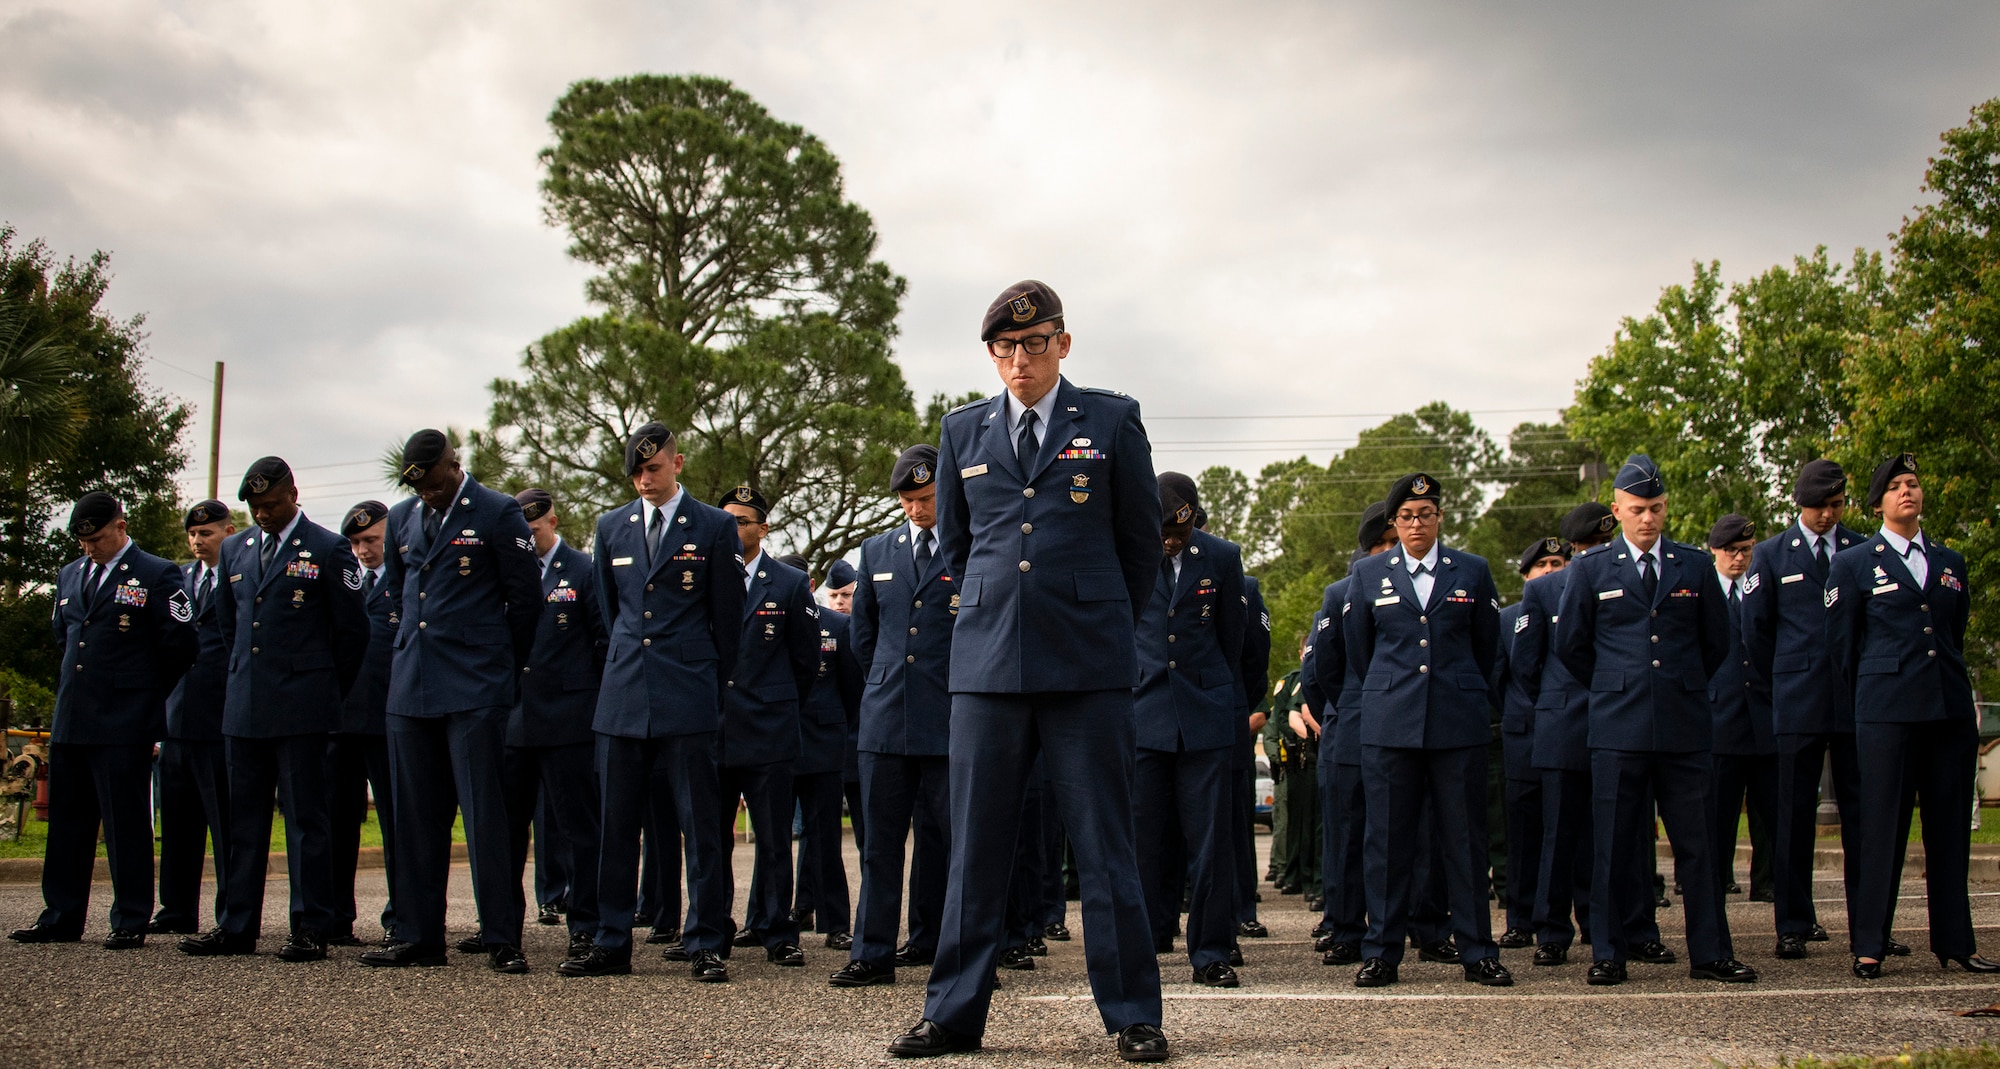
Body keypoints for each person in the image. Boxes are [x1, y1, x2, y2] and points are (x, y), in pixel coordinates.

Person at [889, 280, 1167, 1063]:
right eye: (1006, 348)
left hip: (1087, 668)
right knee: (975, 847)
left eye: (1036, 343)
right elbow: (959, 548)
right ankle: (951, 1013)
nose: (1021, 359)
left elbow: (1139, 547)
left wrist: (1099, 621)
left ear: (1063, 345)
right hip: (986, 667)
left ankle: (1133, 1015)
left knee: (1107, 848)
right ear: (991, 355)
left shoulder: (1110, 419)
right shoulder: (962, 430)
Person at [1554, 454, 1753, 986]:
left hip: (1685, 725)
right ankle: (1609, 952)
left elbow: (1717, 642)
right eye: (1638, 509)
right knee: (1614, 847)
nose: (1649, 519)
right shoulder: (1592, 570)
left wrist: (1679, 683)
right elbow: (1572, 645)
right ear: (1617, 510)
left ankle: (1711, 953)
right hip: (1618, 727)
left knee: (1699, 847)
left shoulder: (1692, 565)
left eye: (1657, 508)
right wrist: (1617, 683)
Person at [563, 422, 744, 982]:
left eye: (654, 469)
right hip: (621, 695)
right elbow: (604, 611)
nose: (645, 480)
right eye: (636, 472)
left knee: (700, 825)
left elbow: (728, 619)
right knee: (615, 825)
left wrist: (709, 687)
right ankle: (611, 939)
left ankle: (706, 940)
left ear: (678, 463)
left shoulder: (713, 526)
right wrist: (616, 669)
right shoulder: (610, 526)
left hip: (687, 692)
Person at [358, 432, 541, 972]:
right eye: (420, 488)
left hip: (476, 685)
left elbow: (525, 600)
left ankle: (501, 936)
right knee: (415, 816)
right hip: (412, 684)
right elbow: (397, 590)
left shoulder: (497, 512)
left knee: (485, 814)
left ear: (452, 467)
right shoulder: (404, 517)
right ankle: (417, 935)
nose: (430, 495)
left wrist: (499, 669)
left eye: (435, 483)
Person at [177, 459, 368, 963]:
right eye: (255, 508)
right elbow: (227, 623)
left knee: (307, 819)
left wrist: (322, 687)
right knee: (243, 821)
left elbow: (351, 635)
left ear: (292, 495)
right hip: (245, 704)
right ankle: (236, 924)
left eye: (270, 505)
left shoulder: (329, 549)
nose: (262, 515)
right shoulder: (235, 549)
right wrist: (245, 673)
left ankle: (310, 925)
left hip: (304, 706)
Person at [1832, 454, 1997, 978]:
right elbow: (1843, 647)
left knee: (1949, 829)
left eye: (1914, 484)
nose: (1909, 492)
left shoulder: (1949, 562)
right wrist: (1873, 697)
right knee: (1883, 829)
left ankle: (1956, 943)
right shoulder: (1855, 562)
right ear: (1879, 502)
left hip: (1947, 713)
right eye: (1897, 486)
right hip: (1886, 714)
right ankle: (1870, 945)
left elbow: (1955, 634)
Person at [1343, 473, 1508, 988]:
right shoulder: (1368, 575)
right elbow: (1359, 650)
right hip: (1391, 724)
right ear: (1395, 522)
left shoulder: (1473, 572)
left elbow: (1488, 649)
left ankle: (1478, 950)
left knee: (1464, 841)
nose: (1417, 524)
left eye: (1427, 514)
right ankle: (1382, 952)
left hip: (1456, 724)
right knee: (1388, 843)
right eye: (1408, 517)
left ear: (1439, 519)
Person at [11, 493, 195, 948]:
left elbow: (180, 645)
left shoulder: (156, 573)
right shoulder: (71, 574)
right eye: (83, 541)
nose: (89, 547)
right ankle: (61, 914)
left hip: (124, 720)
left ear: (120, 526)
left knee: (124, 822)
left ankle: (131, 917)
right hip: (74, 716)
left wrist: (143, 698)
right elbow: (67, 635)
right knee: (67, 821)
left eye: (96, 538)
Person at [1740, 459, 1885, 960]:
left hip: (1854, 700)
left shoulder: (1863, 550)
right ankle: (1794, 923)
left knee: (1865, 816)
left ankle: (1871, 926)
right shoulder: (1772, 555)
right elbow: (1756, 632)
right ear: (1798, 504)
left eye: (1835, 506)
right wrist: (1783, 677)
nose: (1826, 515)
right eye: (1818, 506)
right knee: (1793, 816)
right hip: (1797, 700)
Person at [833, 445, 959, 989]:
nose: (916, 509)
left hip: (952, 718)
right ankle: (872, 953)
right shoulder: (876, 551)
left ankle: (951, 949)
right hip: (885, 717)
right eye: (908, 500)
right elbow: (863, 637)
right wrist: (885, 682)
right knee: (879, 845)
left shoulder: (970, 545)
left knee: (952, 845)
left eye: (927, 498)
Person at [1132, 473, 1246, 988]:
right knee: (1143, 841)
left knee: (1211, 844)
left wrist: (1216, 696)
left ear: (1193, 518)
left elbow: (1232, 639)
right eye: (1163, 532)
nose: (1171, 541)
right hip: (1143, 715)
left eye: (1179, 530)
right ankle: (1147, 940)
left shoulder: (1222, 557)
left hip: (1205, 717)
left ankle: (1212, 951)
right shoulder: (1130, 551)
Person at [498, 488, 606, 966]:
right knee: (505, 832)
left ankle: (585, 927)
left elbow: (603, 642)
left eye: (534, 531)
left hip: (569, 720)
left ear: (553, 523)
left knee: (579, 830)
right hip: (513, 720)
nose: (527, 540)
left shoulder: (584, 570)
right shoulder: (504, 571)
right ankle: (501, 932)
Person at [713, 485, 818, 966]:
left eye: (743, 521)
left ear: (763, 528)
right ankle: (711, 930)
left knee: (775, 838)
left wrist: (774, 700)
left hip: (769, 727)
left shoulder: (789, 584)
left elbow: (804, 659)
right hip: (712, 726)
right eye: (727, 520)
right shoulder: (704, 576)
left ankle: (778, 931)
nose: (734, 529)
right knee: (711, 838)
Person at [1311, 504, 1394, 966]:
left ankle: (1420, 924)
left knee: (1406, 836)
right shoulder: (1340, 593)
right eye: (1380, 545)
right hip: (1353, 727)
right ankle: (1345, 928)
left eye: (1392, 543)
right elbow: (1325, 667)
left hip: (1404, 729)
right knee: (1346, 837)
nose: (1387, 553)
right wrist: (1350, 707)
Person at [151, 500, 234, 936]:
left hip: (220, 717)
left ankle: (230, 912)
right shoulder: (177, 579)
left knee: (224, 824)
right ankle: (176, 909)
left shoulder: (240, 576)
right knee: (178, 824)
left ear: (228, 530)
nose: (198, 541)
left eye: (207, 533)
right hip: (177, 719)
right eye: (193, 535)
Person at [778, 553, 864, 950]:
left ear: (809, 586)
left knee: (826, 838)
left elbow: (851, 692)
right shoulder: (763, 621)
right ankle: (772, 922)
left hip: (824, 743)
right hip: (777, 742)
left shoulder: (837, 626)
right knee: (774, 840)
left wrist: (833, 727)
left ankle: (835, 923)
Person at [329, 500, 400, 946]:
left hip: (391, 719)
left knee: (399, 824)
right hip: (341, 719)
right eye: (355, 543)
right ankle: (334, 916)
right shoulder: (342, 578)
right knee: (336, 822)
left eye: (371, 540)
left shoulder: (411, 577)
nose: (363, 550)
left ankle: (402, 918)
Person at [1495, 537, 1570, 950]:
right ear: (1525, 575)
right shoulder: (1507, 619)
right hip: (1523, 739)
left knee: (1571, 833)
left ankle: (1586, 919)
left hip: (1572, 736)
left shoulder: (1578, 607)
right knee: (1523, 838)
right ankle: (1520, 919)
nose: (1550, 570)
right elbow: (1495, 678)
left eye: (1557, 562)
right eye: (1541, 565)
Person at [1703, 515, 1779, 918]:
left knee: (1773, 814)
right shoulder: (1703, 591)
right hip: (1720, 718)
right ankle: (1715, 884)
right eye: (1731, 550)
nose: (1738, 558)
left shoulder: (1762, 587)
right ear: (1714, 551)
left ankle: (1767, 883)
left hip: (1764, 716)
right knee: (1718, 813)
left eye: (1745, 550)